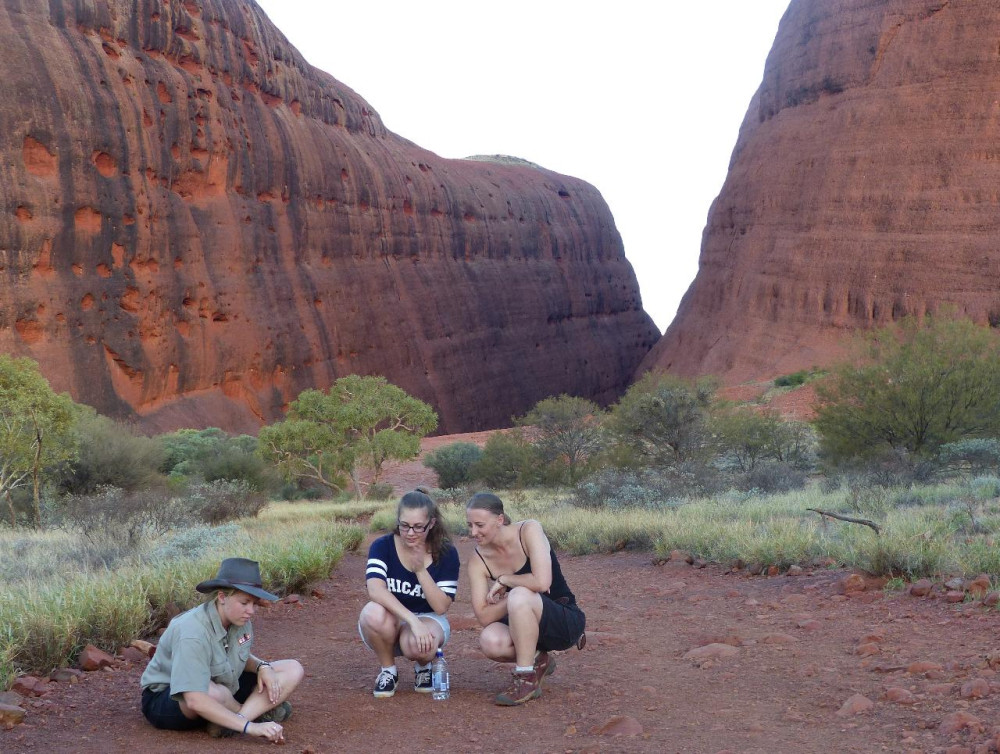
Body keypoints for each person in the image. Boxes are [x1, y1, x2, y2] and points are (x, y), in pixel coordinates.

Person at [140, 558, 304, 741]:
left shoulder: (239, 620)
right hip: (169, 698)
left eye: (254, 603)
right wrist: (252, 728)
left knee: (292, 668)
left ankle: (231, 721)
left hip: (223, 682)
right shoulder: (192, 631)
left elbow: (232, 655)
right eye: (244, 602)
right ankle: (247, 718)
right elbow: (194, 698)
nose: (251, 611)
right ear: (222, 597)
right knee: (214, 692)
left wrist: (262, 667)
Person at [465, 492, 586, 706]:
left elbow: (542, 583)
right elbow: (483, 616)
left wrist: (506, 580)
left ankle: (525, 677)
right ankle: (539, 659)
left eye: (480, 525)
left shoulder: (529, 530)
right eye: (469, 525)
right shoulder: (478, 560)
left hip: (563, 620)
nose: (474, 532)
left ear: (500, 520)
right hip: (523, 628)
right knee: (490, 640)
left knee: (520, 593)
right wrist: (510, 599)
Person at [358, 488, 459, 697]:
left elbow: (441, 606)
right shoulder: (382, 545)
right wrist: (413, 621)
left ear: (431, 524)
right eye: (404, 526)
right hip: (392, 619)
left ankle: (423, 667)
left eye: (418, 527)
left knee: (419, 645)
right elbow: (375, 590)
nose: (410, 533)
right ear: (398, 521)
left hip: (430, 618)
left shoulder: (446, 552)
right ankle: (388, 671)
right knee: (371, 613)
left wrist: (420, 570)